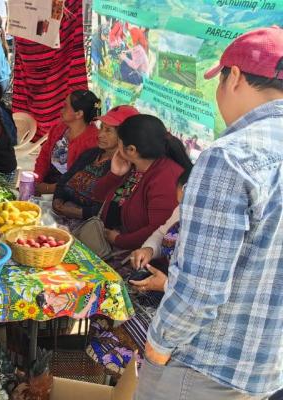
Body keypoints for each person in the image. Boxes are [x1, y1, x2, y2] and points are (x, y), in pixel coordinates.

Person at [137, 27, 283, 400]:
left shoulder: (231, 156)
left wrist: (158, 346)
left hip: (203, 368)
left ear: (234, 76)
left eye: (219, 79)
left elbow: (200, 289)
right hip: (266, 371)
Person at [86, 168, 189, 375]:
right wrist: (149, 249)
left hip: (182, 305)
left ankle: (127, 383)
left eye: (187, 202)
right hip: (161, 288)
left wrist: (165, 285)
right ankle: (106, 380)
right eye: (180, 202)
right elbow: (162, 232)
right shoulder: (183, 210)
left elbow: (202, 292)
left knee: (127, 330)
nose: (182, 207)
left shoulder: (217, 236)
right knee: (108, 299)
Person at [90, 114, 191, 258]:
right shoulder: (132, 164)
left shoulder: (166, 177)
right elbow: (97, 195)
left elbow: (158, 229)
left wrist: (119, 240)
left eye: (119, 141)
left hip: (139, 255)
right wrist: (114, 174)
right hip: (112, 243)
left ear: (131, 149)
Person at [53, 105, 139, 225]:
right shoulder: (91, 154)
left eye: (108, 130)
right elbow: (64, 180)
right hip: (62, 216)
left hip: (89, 227)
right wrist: (58, 199)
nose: (100, 135)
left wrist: (79, 212)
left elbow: (112, 210)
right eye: (101, 127)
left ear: (125, 136)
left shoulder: (125, 168)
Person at [34, 90, 101, 195]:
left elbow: (80, 179)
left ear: (78, 114)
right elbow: (44, 155)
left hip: (69, 190)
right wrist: (37, 181)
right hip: (47, 179)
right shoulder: (60, 127)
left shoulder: (93, 142)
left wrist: (48, 188)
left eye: (65, 106)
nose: (61, 110)